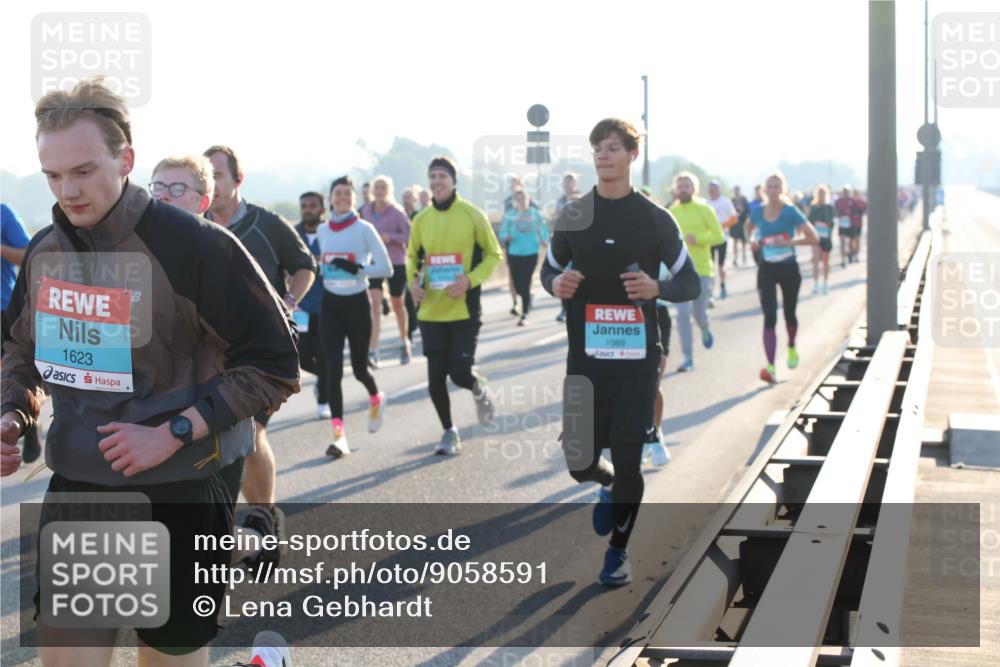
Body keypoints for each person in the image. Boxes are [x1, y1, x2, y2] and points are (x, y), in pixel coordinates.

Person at [2, 78, 300, 666]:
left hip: (182, 488)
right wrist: (13, 411)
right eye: (53, 176)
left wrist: (173, 431)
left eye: (84, 170)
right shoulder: (44, 252)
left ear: (126, 159)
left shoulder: (196, 247)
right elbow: (18, 349)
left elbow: (275, 362)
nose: (69, 190)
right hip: (82, 488)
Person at [540, 118, 699, 586]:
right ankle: (606, 484)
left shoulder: (655, 219)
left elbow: (689, 282)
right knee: (578, 461)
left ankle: (618, 553)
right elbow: (547, 273)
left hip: (636, 361)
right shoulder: (572, 216)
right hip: (585, 361)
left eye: (612, 148)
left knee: (630, 458)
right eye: (597, 148)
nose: (603, 155)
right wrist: (556, 284)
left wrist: (657, 287)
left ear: (632, 155)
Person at [203, 144, 315, 562]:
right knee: (221, 440)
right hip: (214, 352)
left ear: (237, 180)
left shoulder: (266, 223)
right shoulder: (193, 226)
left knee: (250, 434)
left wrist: (286, 302)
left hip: (265, 350)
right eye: (206, 175)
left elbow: (305, 265)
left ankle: (265, 519)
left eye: (218, 175)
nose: (212, 183)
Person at [407, 156, 502, 455]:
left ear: (453, 180)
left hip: (464, 307)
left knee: (459, 372)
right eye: (432, 176)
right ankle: (449, 431)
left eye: (442, 176)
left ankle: (479, 389)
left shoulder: (472, 214)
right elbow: (412, 257)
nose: (437, 181)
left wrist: (470, 280)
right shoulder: (421, 219)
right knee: (435, 377)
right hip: (431, 310)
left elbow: (493, 254)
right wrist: (413, 283)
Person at [317, 176, 392, 457]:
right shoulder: (323, 231)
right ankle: (339, 436)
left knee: (360, 369)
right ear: (331, 198)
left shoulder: (364, 228)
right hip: (330, 306)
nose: (343, 198)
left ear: (355, 199)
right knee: (333, 370)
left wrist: (357, 269)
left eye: (348, 194)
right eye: (338, 193)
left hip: (357, 305)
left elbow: (387, 268)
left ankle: (376, 397)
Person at [746, 171, 819, 384]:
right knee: (769, 317)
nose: (773, 190)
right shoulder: (758, 212)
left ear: (783, 189)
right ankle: (771, 366)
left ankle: (792, 345)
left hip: (789, 269)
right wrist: (752, 240)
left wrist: (789, 243)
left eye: (777, 186)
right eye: (770, 186)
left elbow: (813, 237)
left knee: (789, 314)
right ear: (764, 190)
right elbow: (748, 228)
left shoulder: (790, 212)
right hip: (766, 269)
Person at [669, 171, 724, 372]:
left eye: (687, 185)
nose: (683, 189)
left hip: (701, 270)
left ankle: (705, 326)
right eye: (680, 186)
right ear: (676, 189)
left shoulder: (704, 209)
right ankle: (688, 357)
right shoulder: (671, 212)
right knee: (682, 313)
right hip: (678, 272)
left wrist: (698, 239)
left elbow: (719, 237)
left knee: (698, 313)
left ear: (694, 188)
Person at [1, 203, 42, 464]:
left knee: (9, 372)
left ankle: (23, 415)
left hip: (3, 309)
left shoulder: (3, 213)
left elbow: (29, 255)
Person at [361, 175, 413, 366]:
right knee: (374, 305)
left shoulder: (397, 212)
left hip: (395, 262)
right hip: (374, 263)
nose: (380, 191)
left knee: (397, 304)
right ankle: (373, 350)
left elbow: (408, 235)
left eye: (383, 187)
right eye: (377, 187)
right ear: (372, 191)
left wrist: (390, 237)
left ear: (389, 190)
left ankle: (403, 341)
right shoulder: (365, 211)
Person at [294, 191, 331, 419]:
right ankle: (325, 377)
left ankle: (324, 402)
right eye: (304, 205)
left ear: (322, 209)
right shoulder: (292, 234)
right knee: (302, 358)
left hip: (329, 306)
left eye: (313, 206)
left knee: (326, 355)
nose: (308, 209)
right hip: (301, 308)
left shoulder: (330, 234)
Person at [499, 189, 549, 326]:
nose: (522, 201)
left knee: (525, 282)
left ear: (528, 199)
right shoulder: (510, 215)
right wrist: (506, 237)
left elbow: (543, 228)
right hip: (514, 253)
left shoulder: (535, 214)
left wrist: (544, 240)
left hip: (531, 252)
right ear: (514, 201)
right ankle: (526, 298)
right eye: (518, 199)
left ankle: (524, 314)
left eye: (524, 198)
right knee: (518, 285)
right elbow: (502, 232)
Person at [553, 173, 581, 323]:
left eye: (571, 182)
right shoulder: (560, 201)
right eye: (566, 182)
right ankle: (565, 308)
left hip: (582, 251)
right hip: (566, 247)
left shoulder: (585, 199)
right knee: (565, 279)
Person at [706, 180, 737, 299]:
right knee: (710, 266)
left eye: (714, 188)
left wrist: (720, 226)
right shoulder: (706, 202)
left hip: (723, 238)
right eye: (710, 189)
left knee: (720, 266)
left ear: (718, 189)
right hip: (709, 240)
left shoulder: (725, 202)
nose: (712, 191)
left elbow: (734, 218)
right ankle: (711, 291)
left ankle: (723, 286)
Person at [807, 184, 835, 295]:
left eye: (823, 193)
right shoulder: (813, 207)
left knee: (826, 261)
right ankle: (816, 284)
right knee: (815, 261)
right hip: (816, 237)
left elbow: (830, 221)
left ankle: (826, 283)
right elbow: (810, 221)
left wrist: (823, 210)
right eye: (819, 193)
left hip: (826, 237)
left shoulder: (829, 207)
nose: (821, 195)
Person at [835, 185, 855, 267]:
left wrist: (851, 214)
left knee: (851, 241)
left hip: (851, 224)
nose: (845, 193)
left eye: (847, 191)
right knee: (842, 241)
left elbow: (856, 210)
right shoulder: (839, 201)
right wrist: (839, 215)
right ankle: (843, 259)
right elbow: (835, 210)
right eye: (844, 191)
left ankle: (850, 253)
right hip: (842, 223)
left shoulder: (852, 201)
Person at [730, 185, 750, 266]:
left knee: (743, 241)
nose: (737, 191)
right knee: (735, 241)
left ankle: (744, 255)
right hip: (734, 223)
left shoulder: (744, 199)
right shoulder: (732, 200)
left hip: (743, 222)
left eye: (738, 190)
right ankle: (735, 258)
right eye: (735, 190)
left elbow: (748, 210)